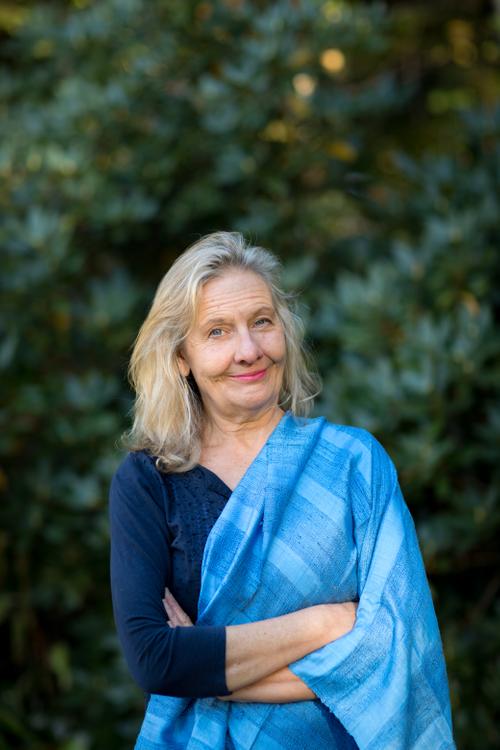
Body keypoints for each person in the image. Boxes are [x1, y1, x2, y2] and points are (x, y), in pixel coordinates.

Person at [108, 231, 456, 749]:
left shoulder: (354, 466)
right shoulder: (147, 481)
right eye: (218, 332)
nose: (248, 351)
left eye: (262, 323)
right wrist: (322, 625)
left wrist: (206, 673)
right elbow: (157, 660)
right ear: (181, 356)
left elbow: (396, 653)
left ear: (284, 332)